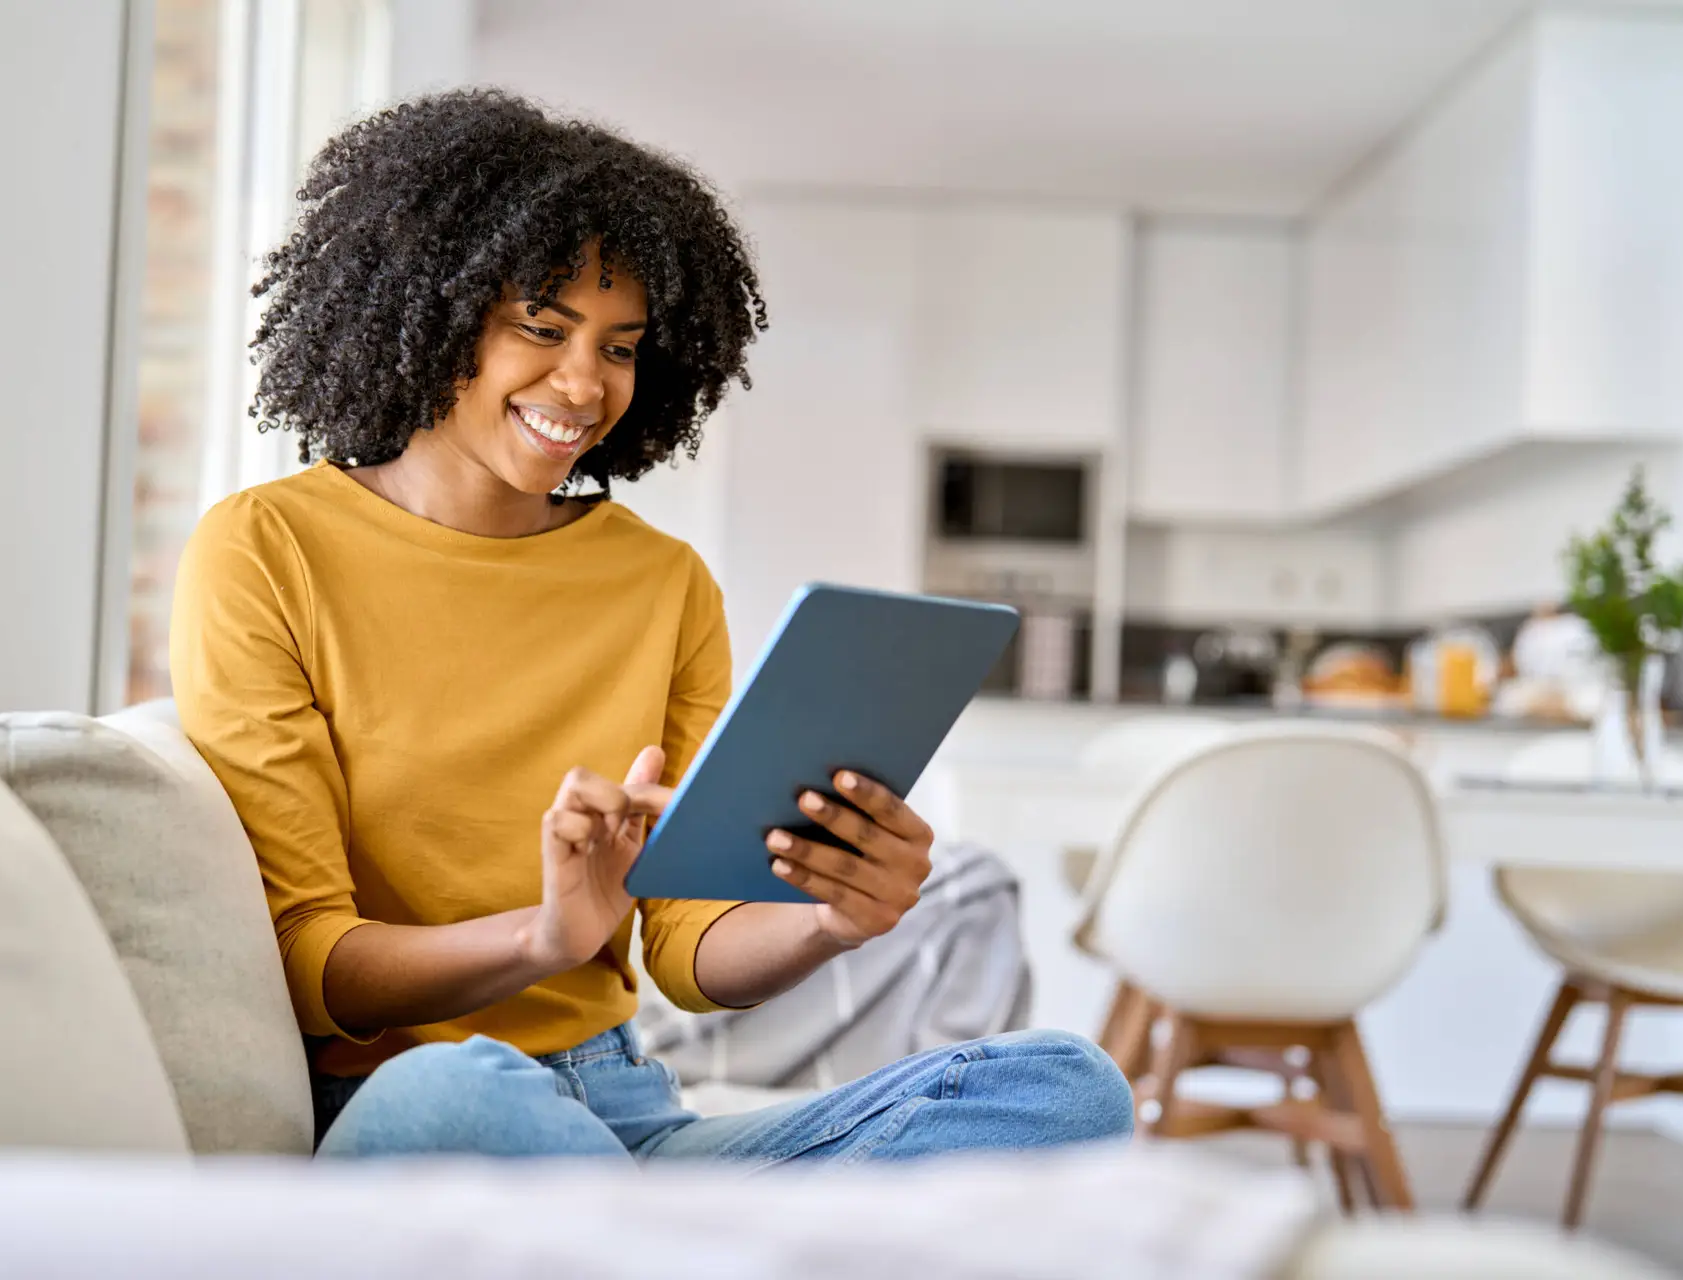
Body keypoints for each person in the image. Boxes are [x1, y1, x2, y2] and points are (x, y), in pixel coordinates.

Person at [170, 88, 1132, 1164]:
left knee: (1064, 1087)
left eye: (620, 346)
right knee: (460, 1083)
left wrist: (833, 917)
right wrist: (542, 937)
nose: (585, 386)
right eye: (543, 327)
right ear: (433, 313)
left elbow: (685, 942)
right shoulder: (266, 548)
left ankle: (657, 1233)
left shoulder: (662, 581)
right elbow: (313, 961)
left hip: (619, 1109)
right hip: (412, 1102)